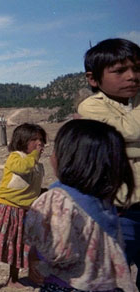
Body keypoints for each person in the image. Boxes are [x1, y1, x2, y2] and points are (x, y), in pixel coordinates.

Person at [25, 119, 137, 292]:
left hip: (68, 286)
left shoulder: (59, 199)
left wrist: (34, 255)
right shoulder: (104, 200)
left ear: (69, 159)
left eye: (56, 150)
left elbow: (58, 251)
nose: (51, 155)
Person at [76, 38, 140, 287]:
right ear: (93, 79)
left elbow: (126, 137)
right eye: (120, 71)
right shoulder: (92, 106)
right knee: (110, 275)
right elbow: (128, 132)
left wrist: (124, 146)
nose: (132, 76)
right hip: (119, 212)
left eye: (136, 68)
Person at [0, 123, 47, 290]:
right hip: (7, 207)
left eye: (41, 140)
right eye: (34, 140)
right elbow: (22, 169)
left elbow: (31, 187)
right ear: (22, 141)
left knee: (20, 245)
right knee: (0, 239)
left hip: (25, 211)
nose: (39, 144)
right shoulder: (17, 157)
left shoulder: (37, 166)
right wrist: (34, 155)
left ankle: (13, 279)